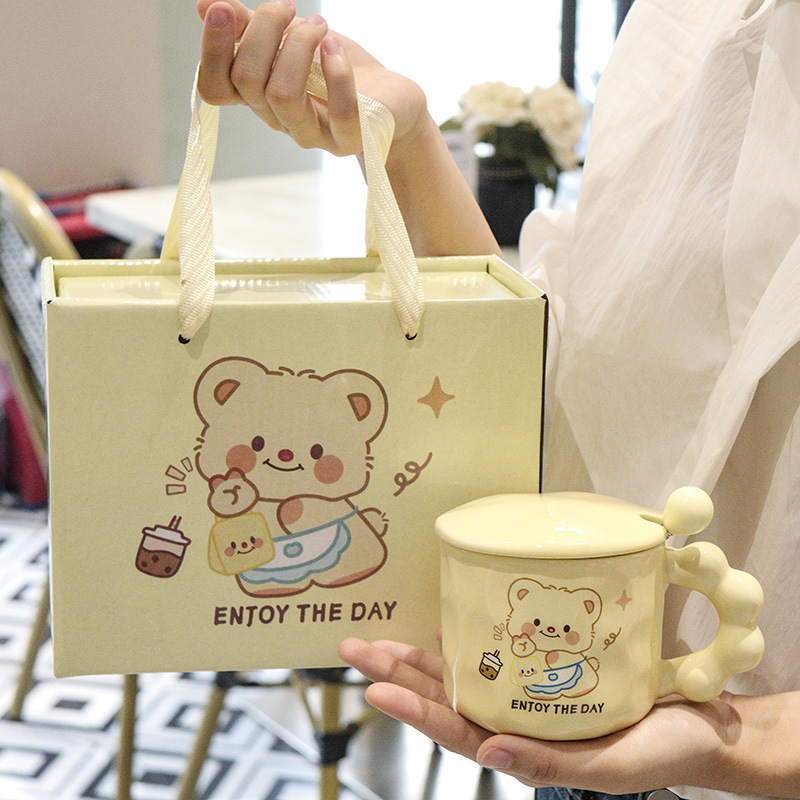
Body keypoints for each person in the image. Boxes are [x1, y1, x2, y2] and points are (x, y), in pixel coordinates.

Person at [195, 1, 800, 799]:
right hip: (591, 728)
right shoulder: (682, 19)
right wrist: (408, 143)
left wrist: (744, 743)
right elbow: (554, 376)